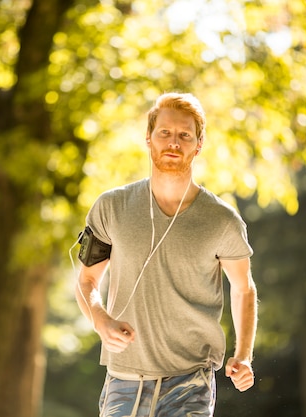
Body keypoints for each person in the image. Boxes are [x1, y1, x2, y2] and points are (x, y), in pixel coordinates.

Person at [75, 92, 257, 417]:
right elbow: (87, 280)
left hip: (191, 381)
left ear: (198, 145)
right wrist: (100, 320)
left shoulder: (222, 220)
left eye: (185, 135)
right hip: (124, 380)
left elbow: (244, 289)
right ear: (149, 138)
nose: (174, 142)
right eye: (165, 133)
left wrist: (243, 355)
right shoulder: (111, 207)